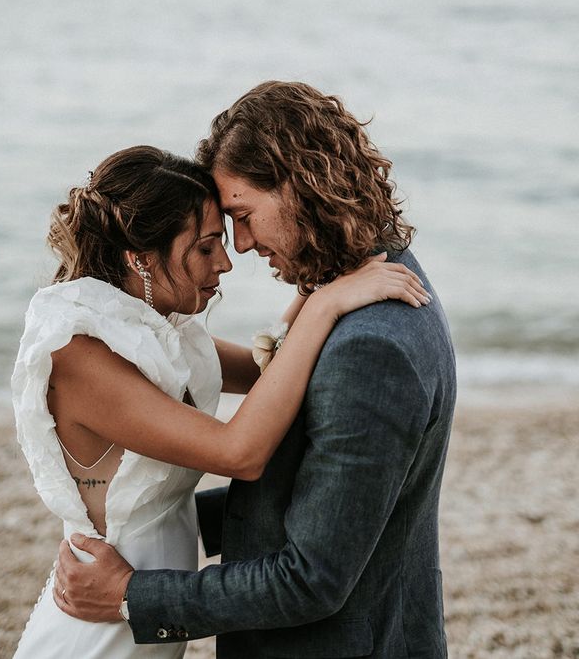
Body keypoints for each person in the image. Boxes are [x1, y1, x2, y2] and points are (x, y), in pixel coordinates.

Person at [52, 83, 457, 658]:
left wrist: (132, 594)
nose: (239, 247)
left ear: (301, 185)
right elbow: (316, 491)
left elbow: (310, 579)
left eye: (242, 216)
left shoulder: (370, 344)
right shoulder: (375, 279)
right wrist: (151, 523)